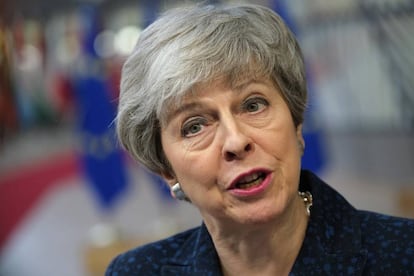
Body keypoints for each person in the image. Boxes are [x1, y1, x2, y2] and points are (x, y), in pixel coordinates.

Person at [106, 3, 414, 275]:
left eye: (253, 105)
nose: (236, 141)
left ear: (296, 124)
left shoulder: (403, 255)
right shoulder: (134, 271)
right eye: (195, 126)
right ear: (167, 169)